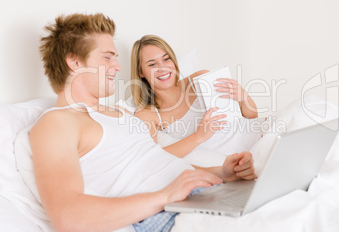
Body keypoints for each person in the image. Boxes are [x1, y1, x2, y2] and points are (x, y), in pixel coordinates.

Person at [28, 13, 257, 232]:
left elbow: (156, 162)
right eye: (107, 57)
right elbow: (68, 218)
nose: (117, 67)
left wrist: (223, 173)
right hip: (168, 214)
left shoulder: (121, 114)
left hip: (207, 195)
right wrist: (165, 196)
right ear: (74, 62)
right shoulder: (57, 123)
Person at [131, 35, 266, 161]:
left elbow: (252, 117)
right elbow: (153, 159)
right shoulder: (147, 114)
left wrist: (243, 98)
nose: (163, 68)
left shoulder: (200, 78)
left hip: (263, 133)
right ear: (141, 72)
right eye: (152, 64)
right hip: (245, 158)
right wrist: (198, 136)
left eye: (166, 59)